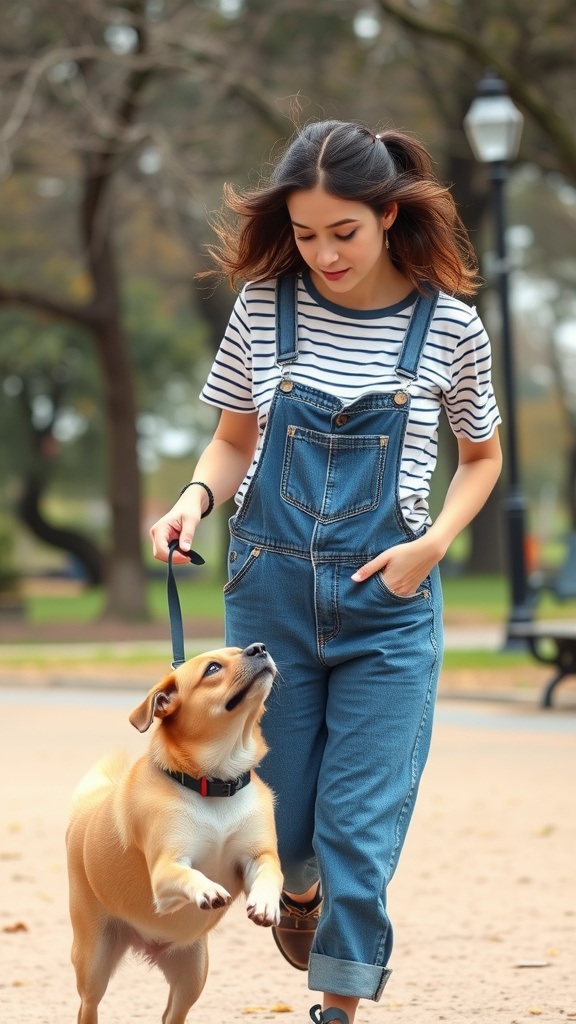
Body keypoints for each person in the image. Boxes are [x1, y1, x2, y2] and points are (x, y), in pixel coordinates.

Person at [149, 120, 503, 1024]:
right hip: (267, 603)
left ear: (387, 214)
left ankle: (338, 1005)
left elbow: (482, 459)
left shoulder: (452, 328)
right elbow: (234, 439)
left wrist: (435, 544)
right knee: (288, 819)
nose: (323, 254)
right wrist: (193, 500)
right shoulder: (266, 308)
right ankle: (295, 883)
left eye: (342, 232)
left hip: (389, 610)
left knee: (360, 825)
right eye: (306, 235)